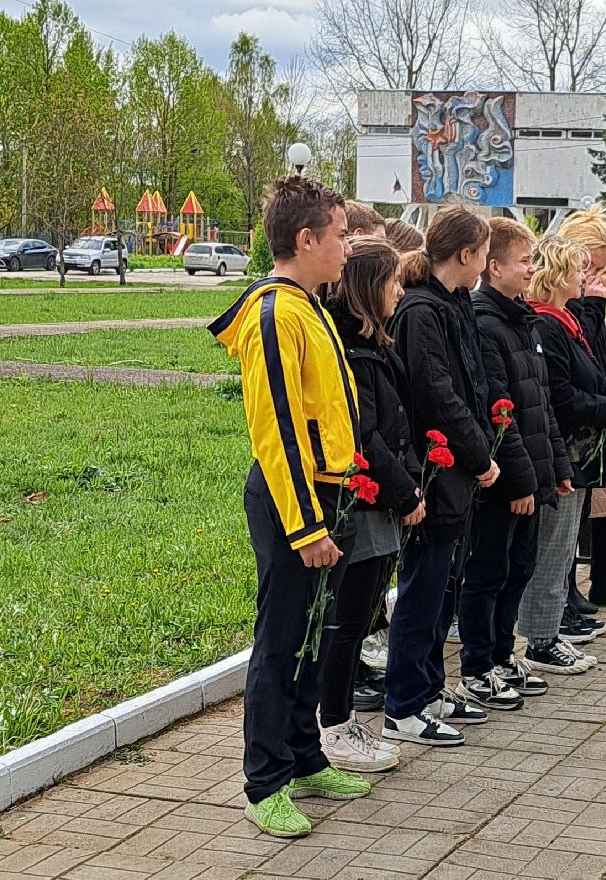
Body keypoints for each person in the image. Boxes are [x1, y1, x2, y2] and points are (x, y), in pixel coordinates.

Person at [209, 175, 374, 838]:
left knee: (312, 635)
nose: (347, 249)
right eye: (339, 236)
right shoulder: (277, 313)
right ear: (305, 240)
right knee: (281, 642)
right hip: (291, 501)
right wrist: (305, 525)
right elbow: (275, 430)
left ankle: (304, 755)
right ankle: (264, 782)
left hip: (323, 495)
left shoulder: (308, 304)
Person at [382, 206, 499, 749]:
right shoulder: (423, 311)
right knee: (423, 590)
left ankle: (429, 688)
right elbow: (437, 396)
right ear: (467, 254)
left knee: (443, 588)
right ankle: (403, 704)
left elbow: (469, 387)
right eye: (483, 253)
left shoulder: (452, 303)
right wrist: (480, 455)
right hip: (437, 470)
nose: (483, 263)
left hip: (459, 473)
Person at [460, 219, 572, 711]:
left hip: (532, 470)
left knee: (519, 567)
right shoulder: (486, 324)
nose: (531, 270)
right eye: (524, 261)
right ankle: (478, 664)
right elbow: (499, 411)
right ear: (494, 266)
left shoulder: (521, 321)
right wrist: (521, 480)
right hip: (505, 481)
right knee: (489, 571)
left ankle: (503, 654)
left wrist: (558, 465)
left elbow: (540, 403)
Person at [316, 235, 415, 776]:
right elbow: (367, 434)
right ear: (367, 288)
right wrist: (405, 491)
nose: (399, 291)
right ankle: (334, 726)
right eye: (392, 281)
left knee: (357, 616)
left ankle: (340, 721)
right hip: (363, 502)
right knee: (347, 620)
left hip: (381, 499)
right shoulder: (354, 352)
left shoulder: (375, 345)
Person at [525, 236, 606, 673]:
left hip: (576, 451)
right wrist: (605, 406)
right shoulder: (546, 324)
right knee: (552, 546)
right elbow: (560, 395)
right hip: (563, 448)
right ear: (558, 273)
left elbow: (593, 371)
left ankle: (549, 630)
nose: (586, 277)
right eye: (579, 269)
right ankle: (541, 639)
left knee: (562, 547)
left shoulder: (566, 320)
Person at [553, 207, 606, 629]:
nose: (601, 276)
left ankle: (598, 581)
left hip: (598, 419)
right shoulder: (566, 305)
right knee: (566, 518)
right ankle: (562, 593)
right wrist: (592, 304)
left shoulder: (586, 302)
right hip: (574, 427)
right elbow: (580, 349)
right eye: (594, 267)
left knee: (600, 500)